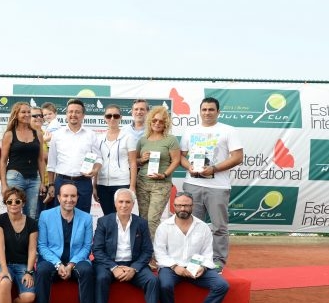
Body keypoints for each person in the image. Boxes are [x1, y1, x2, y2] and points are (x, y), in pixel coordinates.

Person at [181, 97, 244, 271]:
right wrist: (190, 167)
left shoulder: (228, 131)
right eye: (204, 109)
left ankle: (218, 262)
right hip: (192, 184)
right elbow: (181, 156)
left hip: (218, 186)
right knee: (193, 226)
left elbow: (238, 157)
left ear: (218, 112)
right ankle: (194, 260)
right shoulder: (190, 131)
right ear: (200, 111)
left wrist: (214, 169)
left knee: (219, 227)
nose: (207, 112)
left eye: (211, 109)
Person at [155, 191, 230, 303]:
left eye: (186, 205)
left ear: (192, 206)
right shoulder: (164, 227)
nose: (183, 208)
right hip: (171, 268)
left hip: (196, 268)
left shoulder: (203, 227)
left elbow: (208, 252)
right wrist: (175, 266)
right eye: (179, 205)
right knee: (164, 285)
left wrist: (202, 267)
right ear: (174, 206)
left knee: (222, 285)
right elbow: (159, 253)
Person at [27, 183, 95, 303]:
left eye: (73, 196)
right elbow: (42, 246)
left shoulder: (86, 218)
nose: (69, 200)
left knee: (87, 270)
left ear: (77, 198)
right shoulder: (45, 216)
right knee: (42, 270)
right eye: (65, 196)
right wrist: (58, 264)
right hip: (52, 260)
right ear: (58, 197)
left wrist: (71, 264)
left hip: (77, 260)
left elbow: (86, 247)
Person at [92, 189, 161, 303]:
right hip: (109, 264)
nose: (124, 205)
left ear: (133, 204)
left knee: (153, 280)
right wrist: (114, 267)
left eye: (128, 202)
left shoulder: (141, 223)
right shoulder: (104, 221)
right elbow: (97, 250)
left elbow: (147, 250)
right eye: (121, 202)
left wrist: (134, 268)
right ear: (115, 204)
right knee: (100, 278)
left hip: (133, 264)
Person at [0, 187, 37, 303]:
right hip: (4, 263)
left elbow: (32, 250)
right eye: (9, 201)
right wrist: (4, 269)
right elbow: (0, 247)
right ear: (5, 203)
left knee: (29, 296)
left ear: (23, 203)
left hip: (23, 265)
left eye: (17, 201)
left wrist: (29, 271)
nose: (13, 204)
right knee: (4, 283)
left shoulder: (31, 223)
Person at [46, 99, 102, 213]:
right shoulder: (57, 135)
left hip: (84, 182)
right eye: (70, 111)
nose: (73, 114)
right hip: (61, 181)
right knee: (61, 219)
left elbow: (98, 158)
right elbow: (51, 163)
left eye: (77, 112)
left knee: (83, 217)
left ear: (83, 115)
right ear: (66, 114)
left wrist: (95, 170)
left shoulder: (91, 135)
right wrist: (51, 184)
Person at [136, 105, 181, 239]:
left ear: (166, 123)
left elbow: (176, 161)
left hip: (161, 184)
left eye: (161, 121)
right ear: (150, 121)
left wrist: (164, 174)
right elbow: (135, 161)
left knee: (152, 220)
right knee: (143, 219)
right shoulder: (143, 140)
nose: (157, 123)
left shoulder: (171, 139)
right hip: (142, 183)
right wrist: (142, 159)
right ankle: (144, 252)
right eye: (154, 120)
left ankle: (155, 253)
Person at [0, 102, 46, 219]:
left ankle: (29, 238)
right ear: (16, 114)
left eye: (29, 112)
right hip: (14, 177)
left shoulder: (38, 134)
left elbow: (40, 160)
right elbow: (3, 161)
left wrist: (43, 182)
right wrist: (3, 184)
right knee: (14, 213)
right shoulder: (9, 134)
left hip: (34, 179)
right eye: (23, 112)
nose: (27, 114)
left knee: (32, 214)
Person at [93, 104, 137, 215]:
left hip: (122, 183)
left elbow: (133, 163)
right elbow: (97, 162)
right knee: (108, 217)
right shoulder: (99, 139)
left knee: (123, 216)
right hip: (102, 184)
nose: (112, 118)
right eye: (109, 116)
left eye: (116, 116)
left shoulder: (128, 137)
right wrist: (94, 186)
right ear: (104, 118)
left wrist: (132, 186)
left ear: (120, 118)